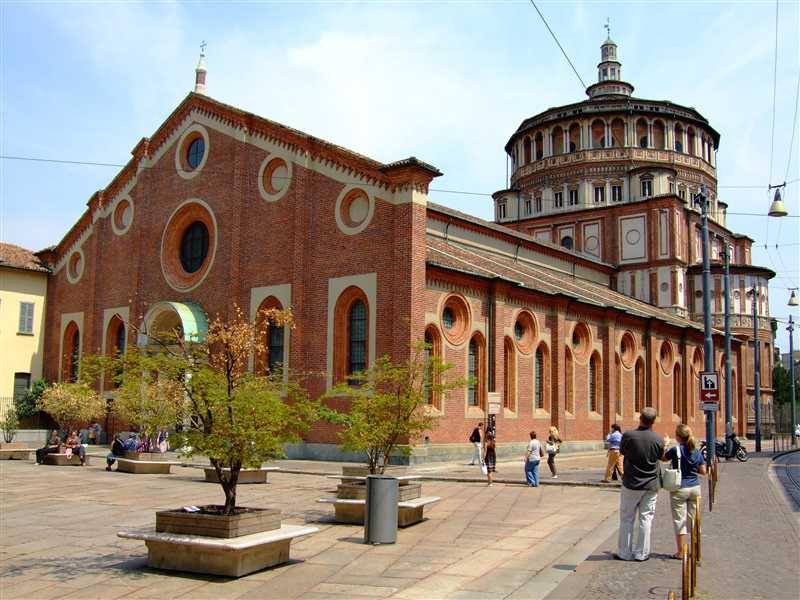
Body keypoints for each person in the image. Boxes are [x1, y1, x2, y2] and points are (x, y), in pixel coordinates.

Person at [615, 407, 668, 562]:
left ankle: (624, 553)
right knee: (646, 519)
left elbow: (622, 452)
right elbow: (661, 457)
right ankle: (642, 554)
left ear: (640, 418)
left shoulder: (628, 435)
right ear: (654, 421)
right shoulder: (659, 439)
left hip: (631, 483)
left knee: (626, 518)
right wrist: (666, 444)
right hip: (651, 484)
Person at [662, 424, 706, 559]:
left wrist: (666, 445)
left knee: (680, 520)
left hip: (680, 488)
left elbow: (663, 458)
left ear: (678, 436)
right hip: (695, 488)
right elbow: (703, 471)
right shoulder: (697, 451)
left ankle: (681, 552)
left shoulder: (675, 450)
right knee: (694, 520)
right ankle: (696, 550)